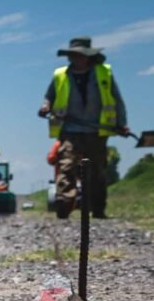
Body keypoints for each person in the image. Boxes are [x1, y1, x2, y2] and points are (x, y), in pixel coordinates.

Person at [38, 36, 129, 219]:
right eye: (72, 55)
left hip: (96, 131)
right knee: (66, 166)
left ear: (88, 56)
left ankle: (98, 208)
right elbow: (49, 96)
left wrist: (121, 124)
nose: (75, 59)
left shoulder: (104, 74)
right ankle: (64, 203)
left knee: (97, 171)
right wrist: (46, 106)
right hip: (69, 129)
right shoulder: (60, 76)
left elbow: (117, 100)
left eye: (79, 55)